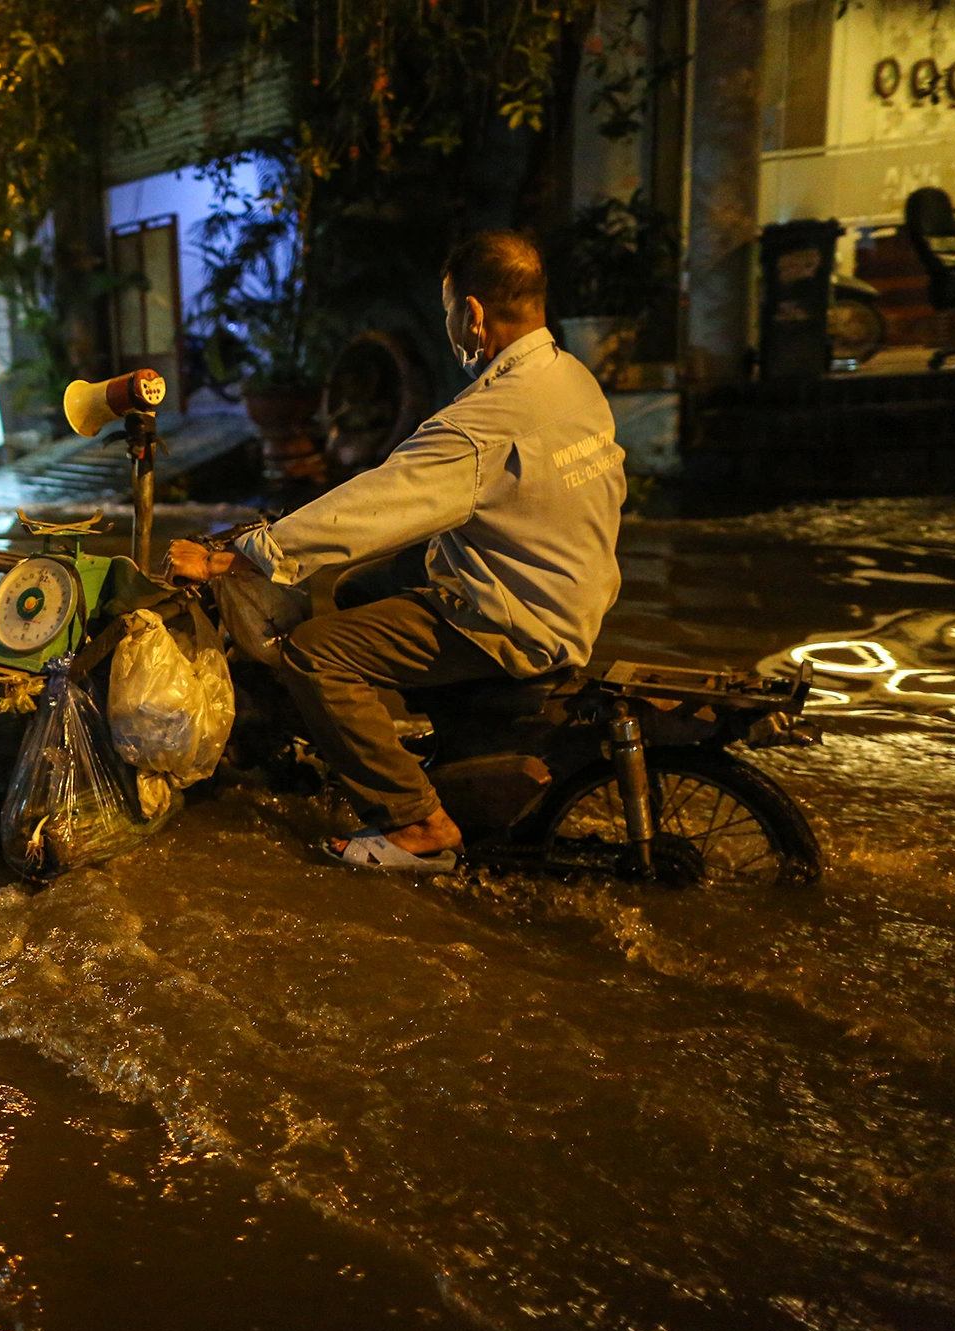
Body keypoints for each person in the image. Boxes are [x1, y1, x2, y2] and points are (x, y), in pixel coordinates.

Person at [167, 229, 625, 872]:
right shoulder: (573, 381)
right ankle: (444, 748)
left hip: (516, 616)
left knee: (312, 656)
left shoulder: (482, 423)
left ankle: (419, 820)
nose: (450, 327)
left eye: (448, 314)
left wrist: (240, 555)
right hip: (573, 586)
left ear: (471, 314)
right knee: (360, 586)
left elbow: (372, 504)